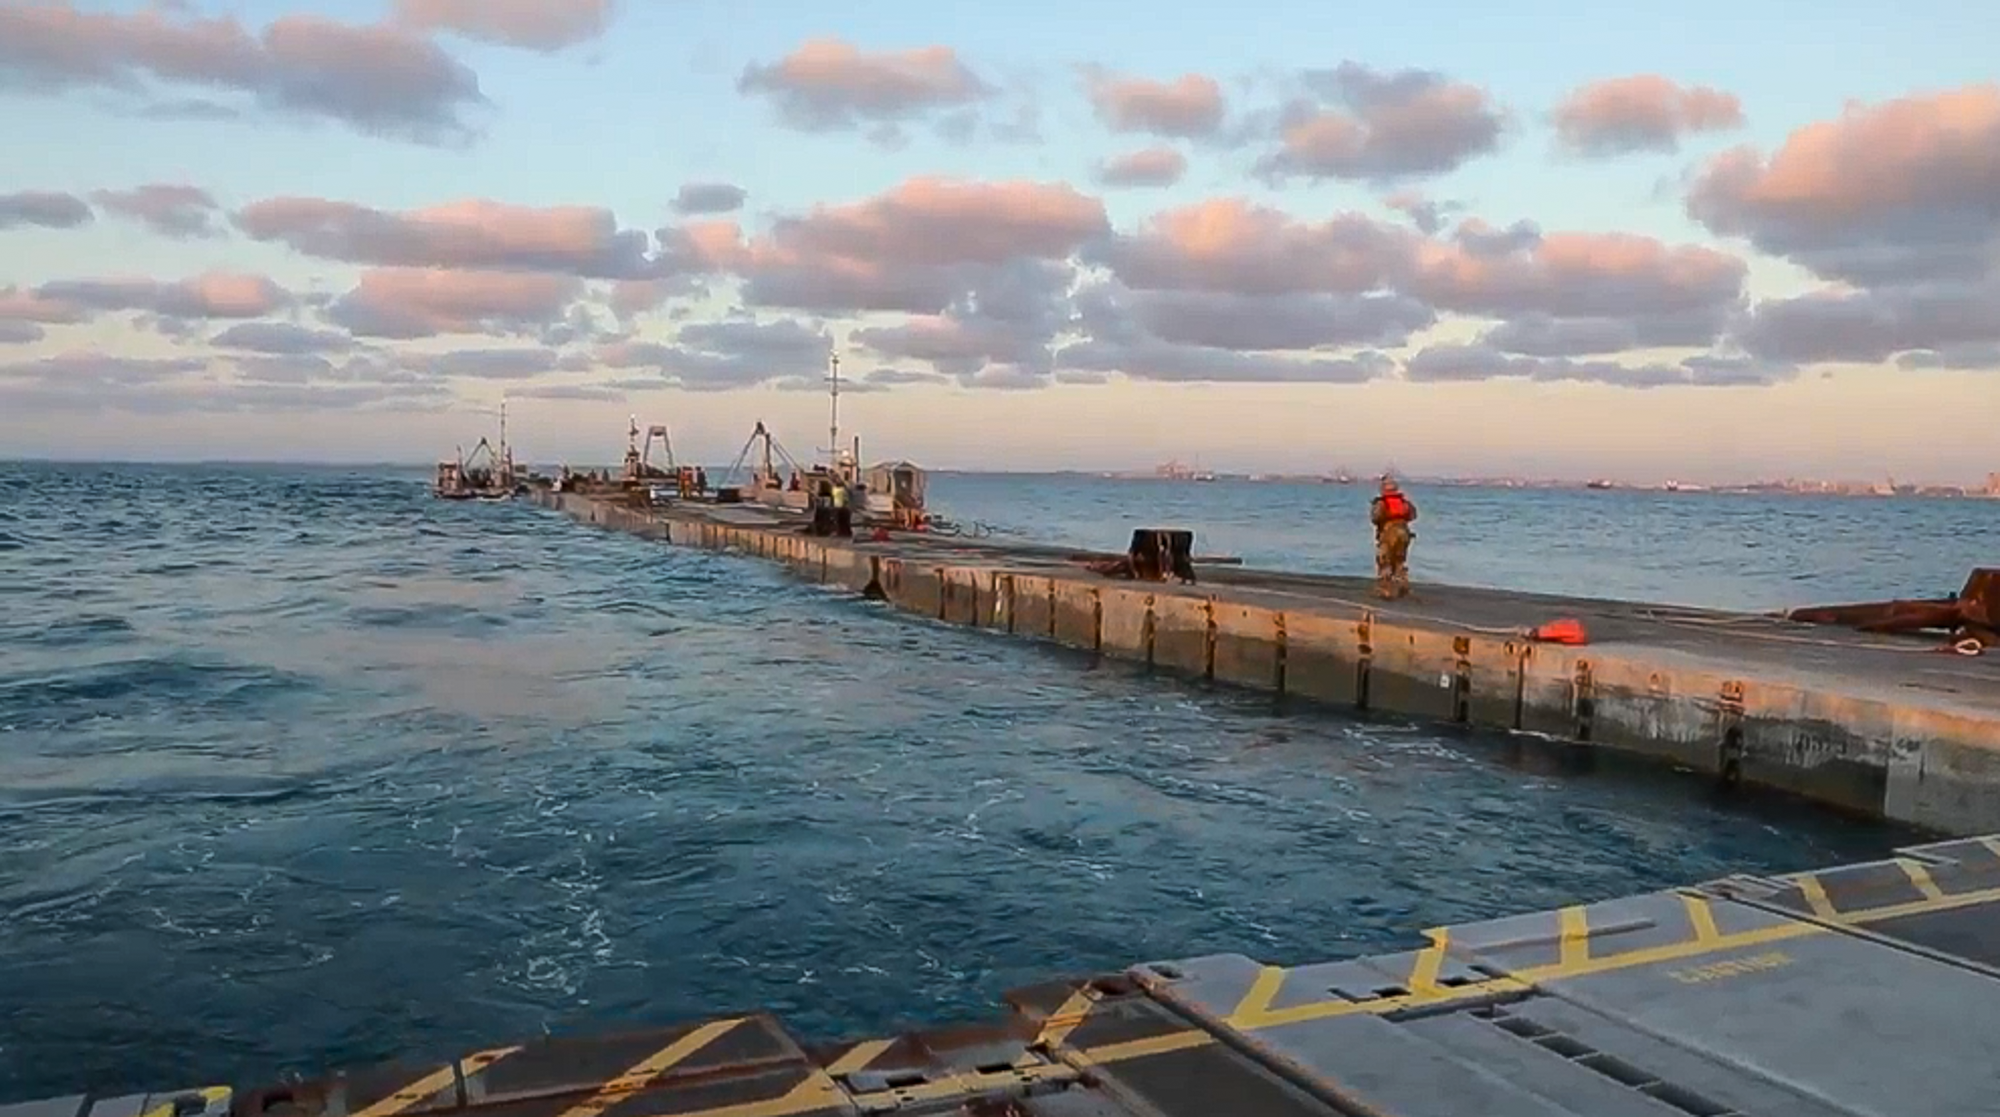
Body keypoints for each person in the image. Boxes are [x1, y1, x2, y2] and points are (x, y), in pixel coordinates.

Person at [1369, 477, 1417, 599]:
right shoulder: (1404, 502)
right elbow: (1413, 515)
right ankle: (1403, 585)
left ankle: (1386, 589)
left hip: (1389, 532)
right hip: (1404, 532)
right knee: (1400, 560)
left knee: (1385, 560)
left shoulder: (1381, 502)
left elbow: (1375, 518)